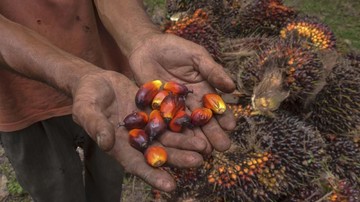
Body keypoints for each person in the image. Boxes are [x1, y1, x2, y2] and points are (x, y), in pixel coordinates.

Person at [0, 0, 236, 201]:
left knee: (109, 175)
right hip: (20, 98)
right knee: (55, 188)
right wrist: (75, 76)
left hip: (110, 86)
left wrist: (141, 37)